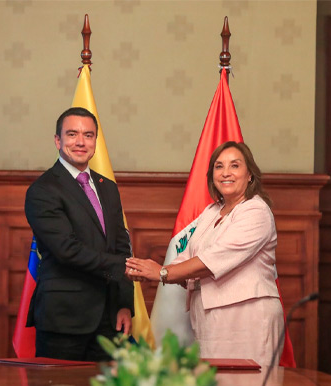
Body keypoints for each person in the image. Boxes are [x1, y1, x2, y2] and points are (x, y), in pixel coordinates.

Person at [126, 141, 284, 365]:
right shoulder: (211, 211)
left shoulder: (256, 211)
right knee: (213, 384)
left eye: (235, 165)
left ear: (250, 175)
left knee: (249, 384)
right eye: (219, 166)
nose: (226, 172)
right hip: (208, 318)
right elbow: (187, 257)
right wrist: (145, 271)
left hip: (247, 318)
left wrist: (161, 273)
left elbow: (214, 259)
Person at [24, 107, 133, 361]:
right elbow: (67, 250)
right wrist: (125, 267)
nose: (81, 142)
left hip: (109, 320)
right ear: (57, 140)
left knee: (107, 385)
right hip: (63, 320)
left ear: (96, 142)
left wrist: (124, 304)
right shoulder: (43, 190)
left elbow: (121, 246)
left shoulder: (108, 188)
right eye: (72, 134)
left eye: (88, 135)